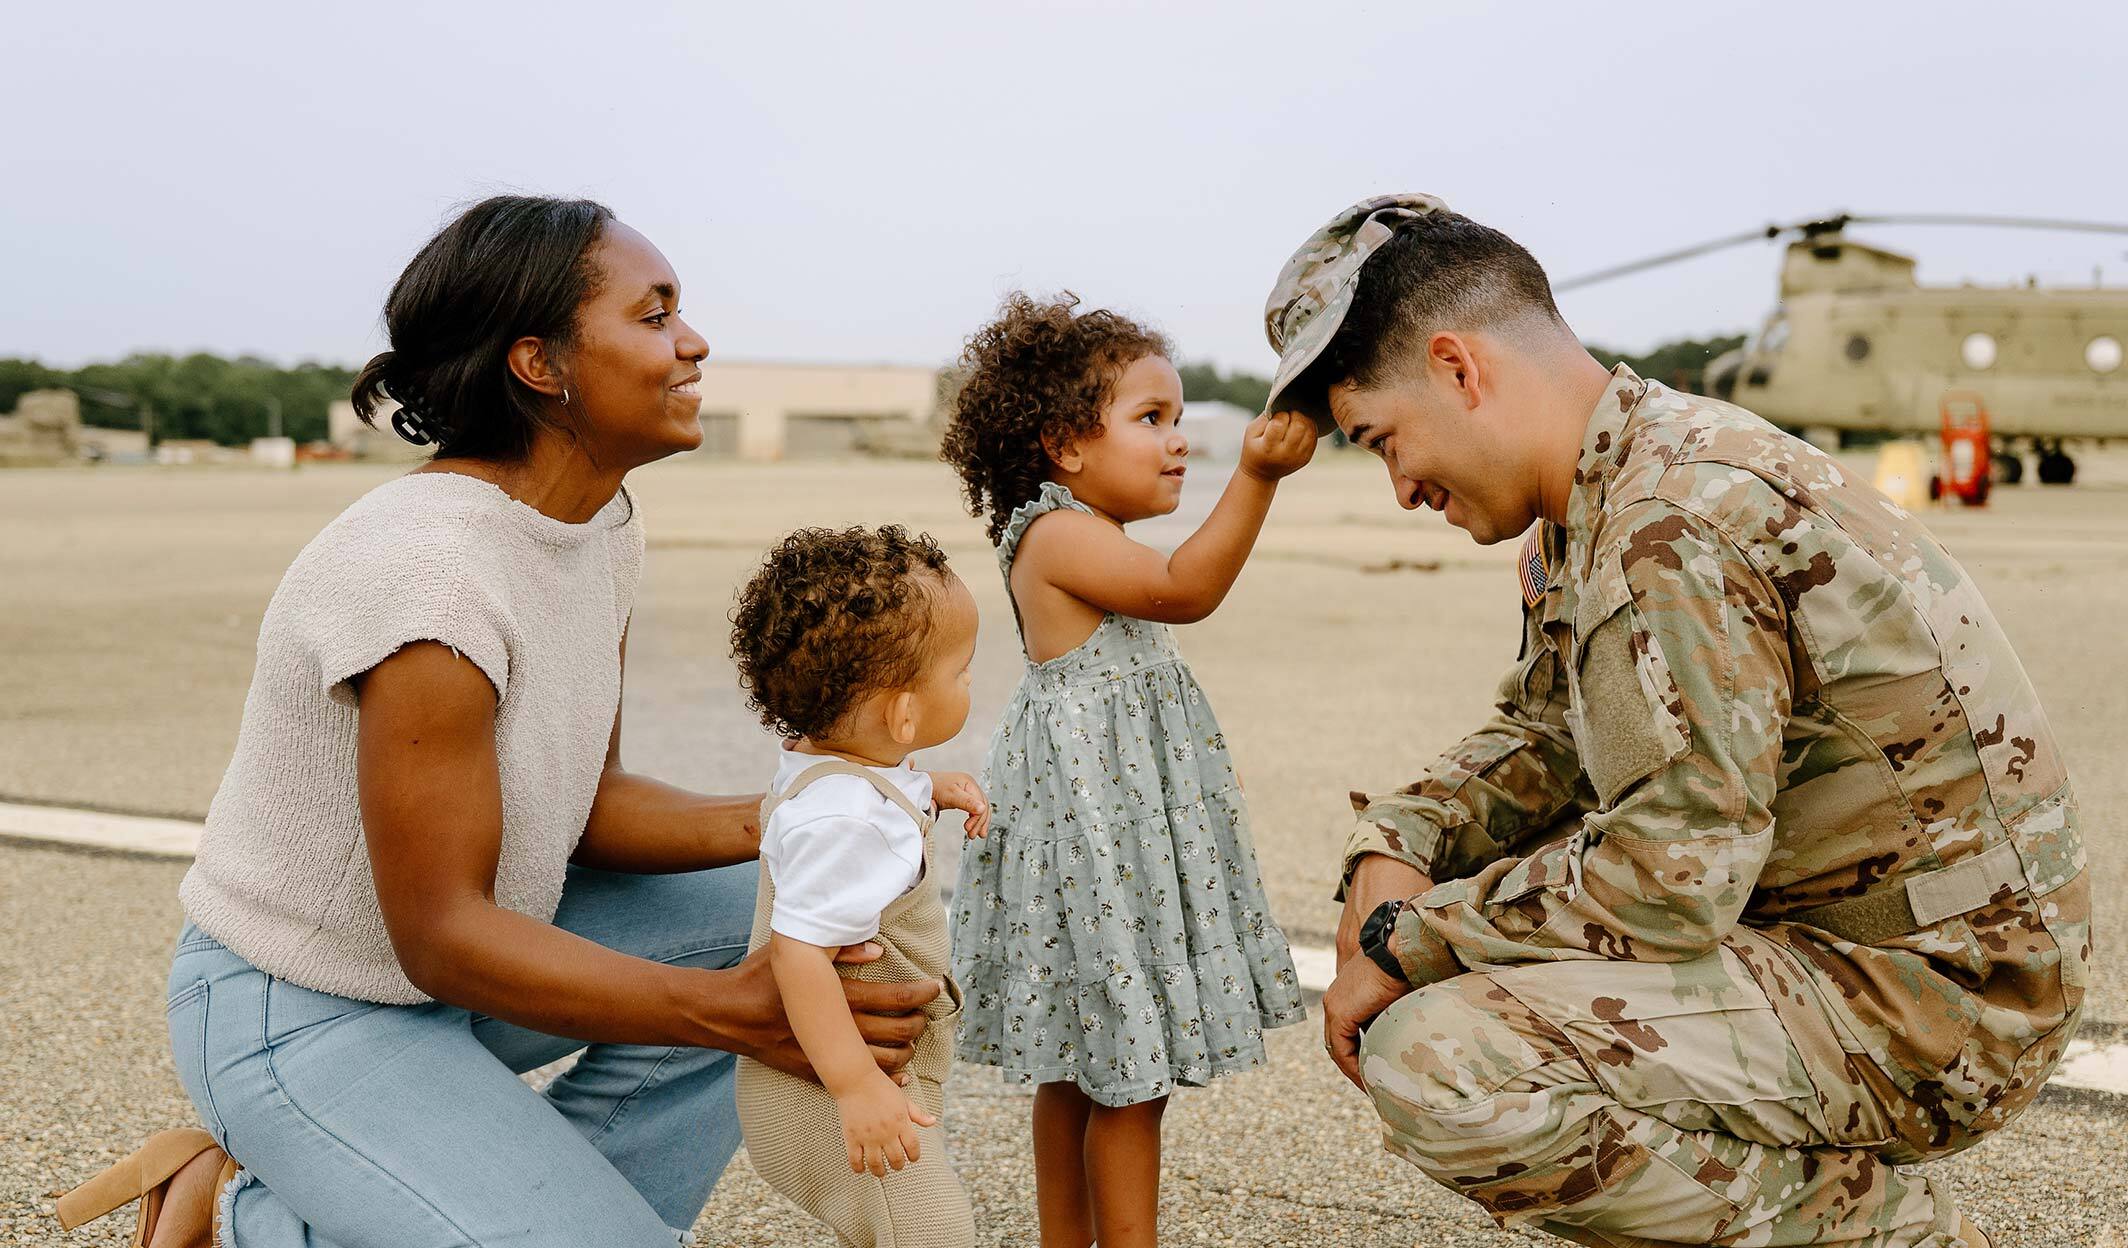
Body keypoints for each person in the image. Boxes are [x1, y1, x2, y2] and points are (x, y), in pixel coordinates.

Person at [56, 195, 950, 1247]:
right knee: (749, 984)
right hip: (307, 1007)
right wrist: (733, 1012)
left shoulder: (595, 523)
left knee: (786, 902)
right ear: (541, 365)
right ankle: (259, 1209)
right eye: (654, 314)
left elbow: (593, 808)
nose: (694, 342)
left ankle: (473, 1195)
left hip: (463, 971)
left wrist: (825, 808)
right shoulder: (429, 577)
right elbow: (440, 935)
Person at [1266, 195, 2087, 1248]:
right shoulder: (1608, 491)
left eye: (1382, 440)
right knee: (1517, 922)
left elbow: (1669, 879)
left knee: (1444, 1061)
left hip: (1940, 997)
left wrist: (1407, 940)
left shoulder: (1673, 518)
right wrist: (1400, 838)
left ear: (1458, 369)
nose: (1400, 489)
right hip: (1847, 940)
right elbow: (1548, 738)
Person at [940, 293, 1313, 1248]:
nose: (1179, 441)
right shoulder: (1059, 536)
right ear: (1066, 444)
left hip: (1110, 829)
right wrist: (1258, 477)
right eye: (1152, 419)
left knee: (1076, 1068)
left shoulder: (1074, 529)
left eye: (1181, 418)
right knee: (1126, 1082)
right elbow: (1185, 590)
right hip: (1095, 841)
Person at [727, 525, 988, 1247]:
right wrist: (855, 1087)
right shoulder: (846, 823)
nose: (971, 683)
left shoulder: (837, 773)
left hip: (845, 1077)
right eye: (962, 672)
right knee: (934, 1236)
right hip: (825, 1089)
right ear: (903, 715)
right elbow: (799, 953)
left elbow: (860, 792)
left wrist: (925, 788)